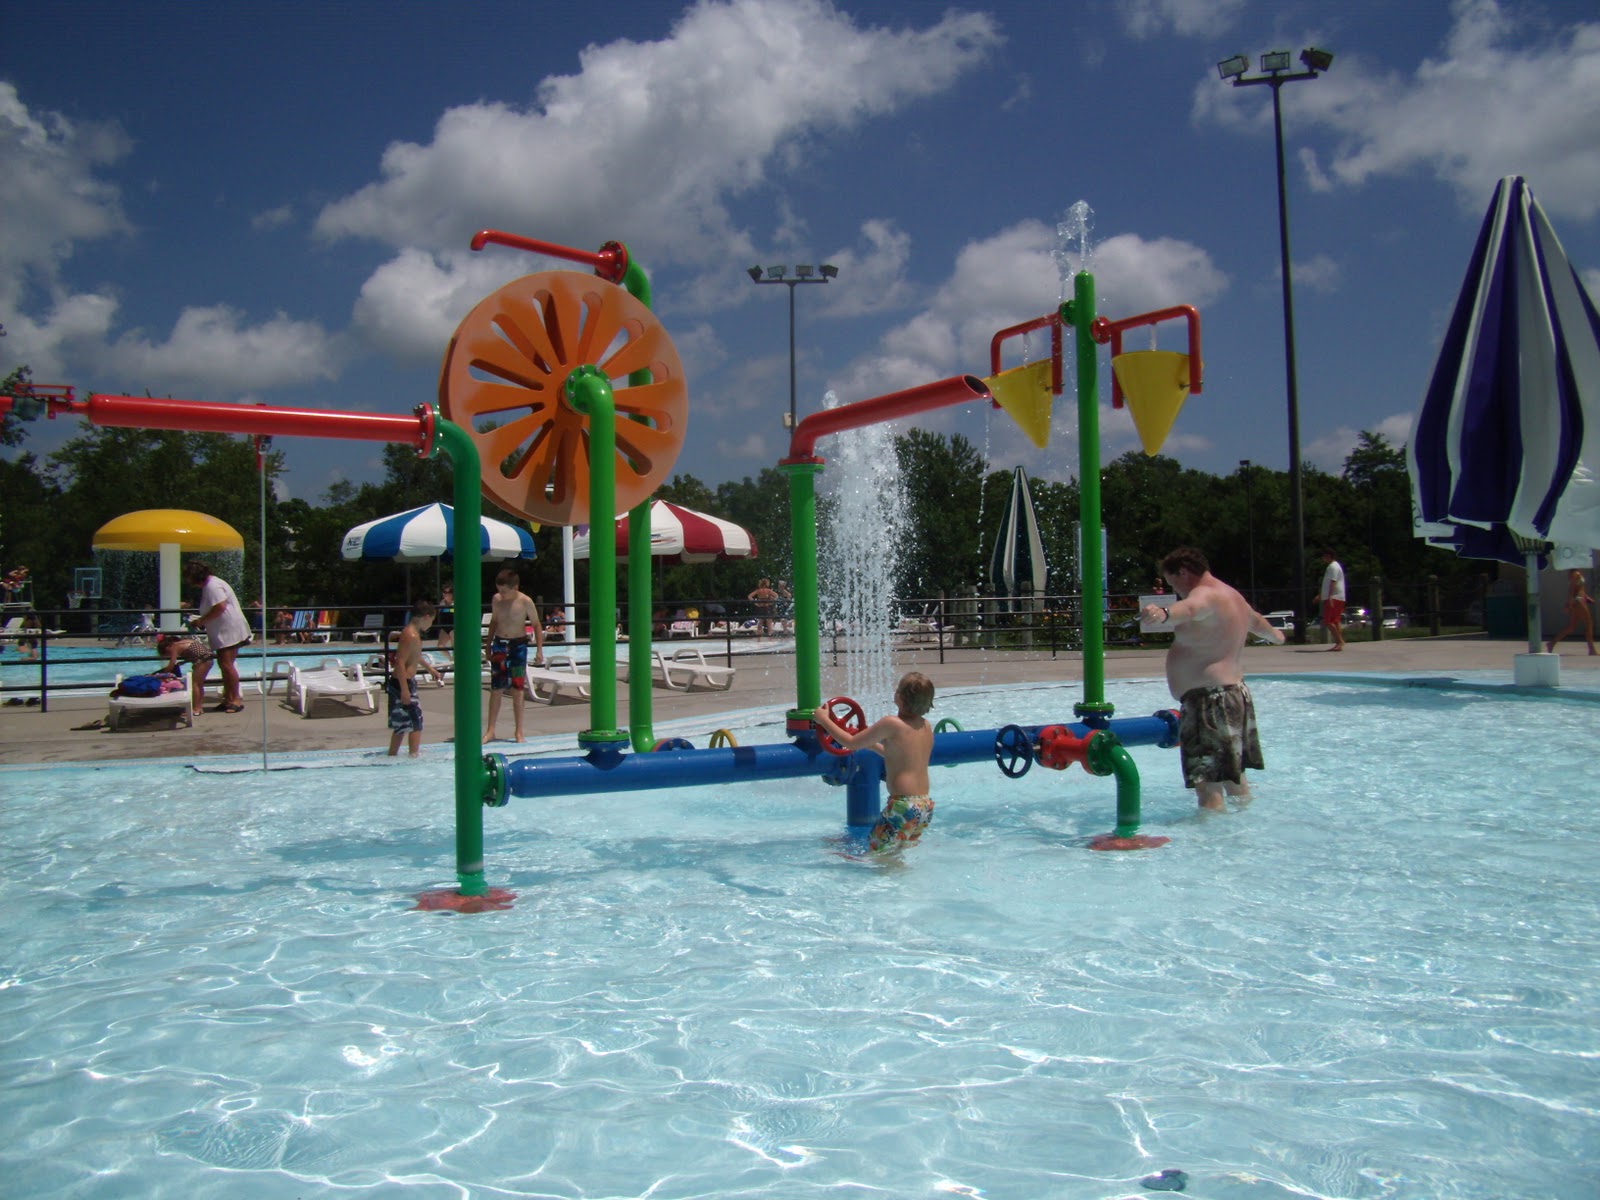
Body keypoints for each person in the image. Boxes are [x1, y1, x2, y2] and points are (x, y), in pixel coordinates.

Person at [1141, 547, 1285, 812]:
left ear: (1183, 572)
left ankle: (1212, 844)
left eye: (1174, 583)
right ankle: (1242, 834)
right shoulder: (1234, 597)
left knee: (1207, 785)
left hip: (1208, 701)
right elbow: (1259, 624)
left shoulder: (1205, 595)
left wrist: (1164, 614)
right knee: (1234, 777)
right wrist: (1277, 636)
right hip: (1235, 696)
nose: (1178, 590)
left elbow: (1191, 608)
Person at [812, 672, 937, 854]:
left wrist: (823, 719)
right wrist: (872, 746)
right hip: (924, 807)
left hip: (903, 806)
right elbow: (900, 757)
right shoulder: (925, 726)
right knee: (892, 855)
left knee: (874, 856)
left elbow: (850, 743)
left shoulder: (892, 724)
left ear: (898, 697)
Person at [483, 569, 545, 744]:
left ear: (515, 587)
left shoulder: (525, 601)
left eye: (504, 591)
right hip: (500, 644)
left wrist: (539, 650)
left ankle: (519, 732)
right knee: (496, 689)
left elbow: (537, 624)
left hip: (518, 646)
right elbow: (494, 622)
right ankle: (490, 731)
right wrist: (488, 645)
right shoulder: (497, 600)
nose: (501, 594)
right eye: (499, 590)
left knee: (517, 690)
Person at [183, 559, 252, 713]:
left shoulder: (213, 586)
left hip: (229, 629)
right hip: (224, 630)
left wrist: (201, 621)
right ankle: (228, 698)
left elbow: (220, 607)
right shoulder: (211, 585)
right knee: (224, 664)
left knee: (227, 665)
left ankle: (235, 700)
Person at [387, 600, 440, 757]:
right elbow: (400, 662)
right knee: (416, 722)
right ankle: (413, 756)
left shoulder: (413, 634)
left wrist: (430, 668)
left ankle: (392, 755)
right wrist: (404, 689)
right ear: (425, 617)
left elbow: (414, 656)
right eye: (432, 620)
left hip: (402, 683)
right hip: (403, 684)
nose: (431, 625)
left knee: (401, 724)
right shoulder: (410, 635)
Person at [156, 631, 216, 716]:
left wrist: (162, 674)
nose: (168, 654)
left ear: (167, 647)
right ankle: (199, 707)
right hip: (208, 659)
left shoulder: (174, 647)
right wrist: (184, 662)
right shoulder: (183, 642)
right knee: (199, 684)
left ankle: (195, 709)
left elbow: (171, 665)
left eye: (167, 653)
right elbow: (195, 652)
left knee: (195, 684)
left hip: (202, 660)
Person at [1546, 569, 1597, 655]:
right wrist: (1569, 604)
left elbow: (1580, 588)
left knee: (1571, 627)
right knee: (1588, 623)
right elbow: (1571, 589)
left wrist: (1587, 598)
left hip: (1580, 600)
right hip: (1578, 601)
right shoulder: (1575, 573)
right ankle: (1591, 649)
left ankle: (1552, 643)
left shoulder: (1577, 572)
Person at [1319, 548, 1347, 651]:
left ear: (1328, 556)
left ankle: (1339, 641)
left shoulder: (1333, 567)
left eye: (1324, 556)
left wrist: (1330, 596)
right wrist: (1321, 595)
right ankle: (1339, 642)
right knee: (1335, 621)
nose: (1322, 558)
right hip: (1337, 596)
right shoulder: (1332, 567)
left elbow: (1333, 582)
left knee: (1327, 620)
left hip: (1334, 597)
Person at [435, 584, 454, 653]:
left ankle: (457, 661)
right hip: (445, 627)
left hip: (454, 627)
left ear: (452, 594)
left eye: (447, 592)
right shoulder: (442, 603)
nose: (444, 594)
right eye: (444, 592)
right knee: (440, 646)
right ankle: (451, 659)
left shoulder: (456, 603)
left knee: (455, 646)